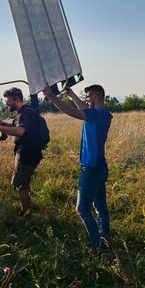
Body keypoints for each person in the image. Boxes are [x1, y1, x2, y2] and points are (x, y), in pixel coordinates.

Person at [43, 84, 113, 252]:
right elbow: (84, 109)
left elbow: (71, 112)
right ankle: (105, 237)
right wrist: (71, 94)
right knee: (101, 208)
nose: (86, 99)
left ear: (96, 96)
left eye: (87, 96)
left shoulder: (93, 115)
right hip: (101, 168)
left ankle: (98, 246)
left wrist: (52, 97)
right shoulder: (104, 115)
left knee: (82, 209)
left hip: (90, 170)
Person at [0, 87, 43, 218]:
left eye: (9, 101)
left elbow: (20, 131)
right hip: (30, 152)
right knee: (24, 181)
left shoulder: (23, 113)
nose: (6, 104)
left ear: (17, 100)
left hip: (27, 153)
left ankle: (26, 213)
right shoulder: (25, 110)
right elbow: (15, 127)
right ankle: (28, 207)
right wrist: (1, 123)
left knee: (20, 185)